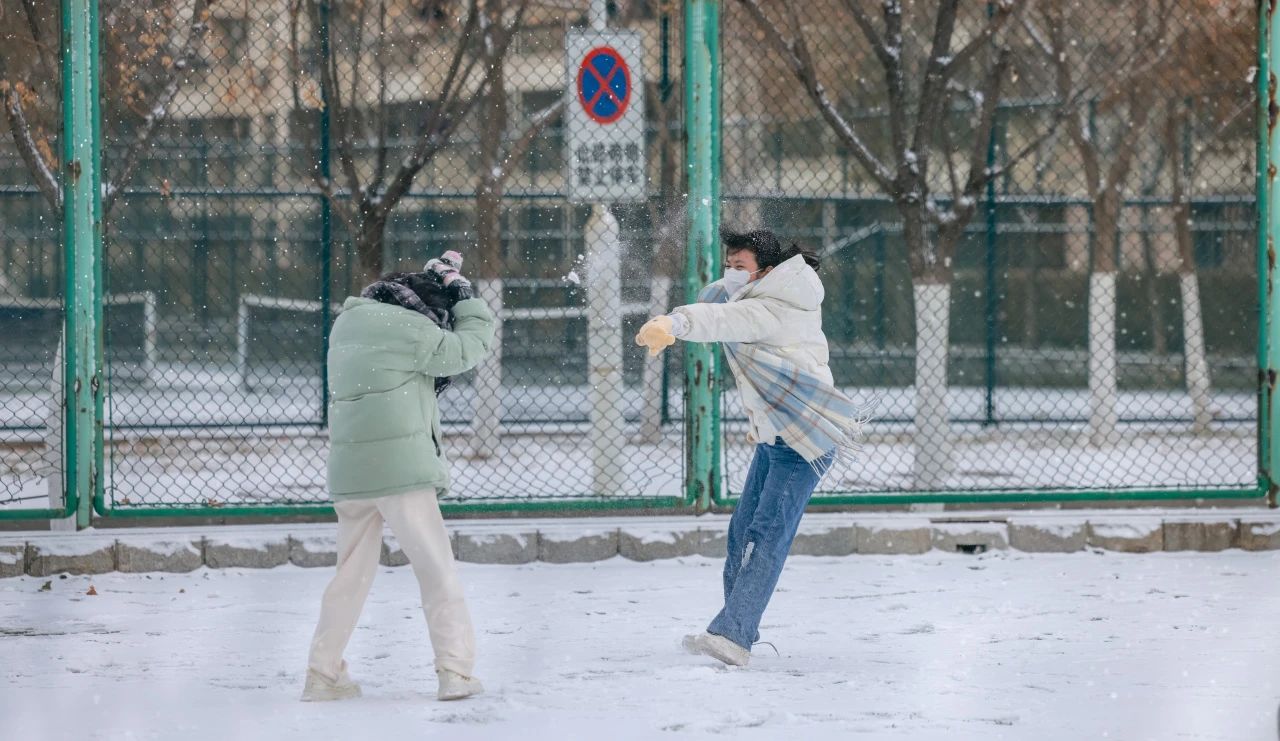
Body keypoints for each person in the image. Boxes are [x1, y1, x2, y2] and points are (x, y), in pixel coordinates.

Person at [635, 228, 866, 668]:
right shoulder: (762, 294)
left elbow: (721, 320)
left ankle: (734, 635)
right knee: (741, 532)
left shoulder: (773, 308)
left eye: (739, 266)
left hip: (804, 441)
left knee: (765, 536)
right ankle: (735, 625)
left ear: (767, 270)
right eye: (729, 264)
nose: (731, 273)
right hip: (778, 437)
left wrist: (673, 323)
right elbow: (722, 305)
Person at [302, 251, 496, 702]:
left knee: (349, 577)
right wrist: (466, 298)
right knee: (436, 570)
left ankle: (322, 675)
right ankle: (455, 672)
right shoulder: (410, 328)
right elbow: (469, 348)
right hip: (401, 470)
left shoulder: (348, 324)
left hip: (351, 472)